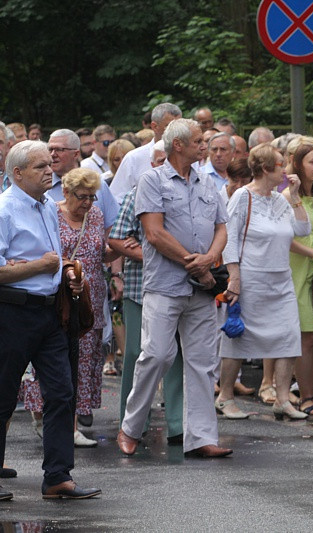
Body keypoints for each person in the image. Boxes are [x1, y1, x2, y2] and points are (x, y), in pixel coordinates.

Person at [117, 118, 231, 458]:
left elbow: (222, 227)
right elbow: (153, 233)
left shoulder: (208, 182)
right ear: (177, 145)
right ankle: (130, 427)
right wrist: (193, 262)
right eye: (198, 141)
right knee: (156, 354)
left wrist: (209, 257)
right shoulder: (151, 180)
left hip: (201, 287)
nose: (204, 146)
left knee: (202, 361)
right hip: (166, 285)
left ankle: (201, 438)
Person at [0, 140, 101, 500]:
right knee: (4, 395)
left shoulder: (45, 207)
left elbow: (53, 259)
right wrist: (39, 267)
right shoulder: (4, 209)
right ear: (17, 173)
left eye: (49, 164)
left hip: (50, 312)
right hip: (12, 312)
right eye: (40, 166)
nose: (50, 170)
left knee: (61, 393)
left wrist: (67, 275)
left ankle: (58, 477)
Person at [23, 168, 120, 448]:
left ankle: (72, 425)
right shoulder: (50, 213)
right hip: (58, 296)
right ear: (65, 192)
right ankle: (46, 418)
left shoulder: (97, 215)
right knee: (51, 359)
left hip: (88, 299)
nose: (88, 203)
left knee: (83, 360)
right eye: (82, 196)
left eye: (92, 197)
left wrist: (119, 251)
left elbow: (99, 252)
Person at [217, 144, 310, 420]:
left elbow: (302, 229)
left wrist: (294, 197)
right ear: (267, 169)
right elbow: (229, 239)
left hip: (280, 281)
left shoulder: (280, 199)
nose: (285, 170)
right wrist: (234, 277)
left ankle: (282, 399)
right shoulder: (242, 197)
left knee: (288, 336)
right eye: (281, 165)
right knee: (239, 339)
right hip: (251, 279)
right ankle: (224, 397)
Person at [108, 142, 184, 445]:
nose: (164, 165)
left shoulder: (186, 196)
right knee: (138, 353)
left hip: (180, 285)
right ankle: (133, 423)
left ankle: (178, 423)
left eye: (169, 161)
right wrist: (154, 254)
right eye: (159, 161)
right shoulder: (133, 195)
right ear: (151, 165)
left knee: (175, 356)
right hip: (141, 287)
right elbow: (117, 238)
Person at [283, 144, 313, 416]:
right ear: (298, 164)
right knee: (307, 335)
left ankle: (312, 393)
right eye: (312, 162)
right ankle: (305, 395)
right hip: (298, 270)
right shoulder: (287, 196)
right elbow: (286, 238)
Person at [109, 103, 182, 201]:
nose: (176, 132)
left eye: (180, 127)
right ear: (154, 126)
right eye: (170, 127)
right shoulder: (134, 158)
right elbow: (117, 198)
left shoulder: (189, 157)